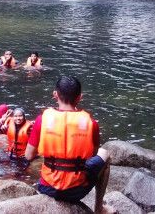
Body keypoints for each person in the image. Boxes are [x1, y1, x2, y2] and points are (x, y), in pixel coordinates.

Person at [25, 76, 112, 213]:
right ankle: (99, 208)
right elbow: (92, 155)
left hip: (47, 188)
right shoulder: (91, 123)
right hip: (76, 190)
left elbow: (29, 155)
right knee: (105, 154)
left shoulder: (42, 120)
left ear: (55, 94)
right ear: (80, 97)